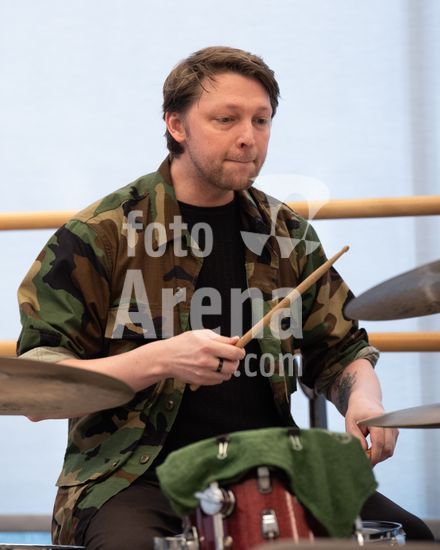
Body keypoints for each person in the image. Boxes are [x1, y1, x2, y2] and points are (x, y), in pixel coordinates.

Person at [17, 46, 433, 548]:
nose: (248, 137)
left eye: (261, 120)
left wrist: (365, 398)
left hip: (273, 466)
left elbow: (340, 350)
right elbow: (40, 382)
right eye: (226, 119)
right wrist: (161, 359)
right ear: (176, 125)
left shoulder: (286, 233)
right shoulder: (101, 234)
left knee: (413, 537)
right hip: (134, 478)